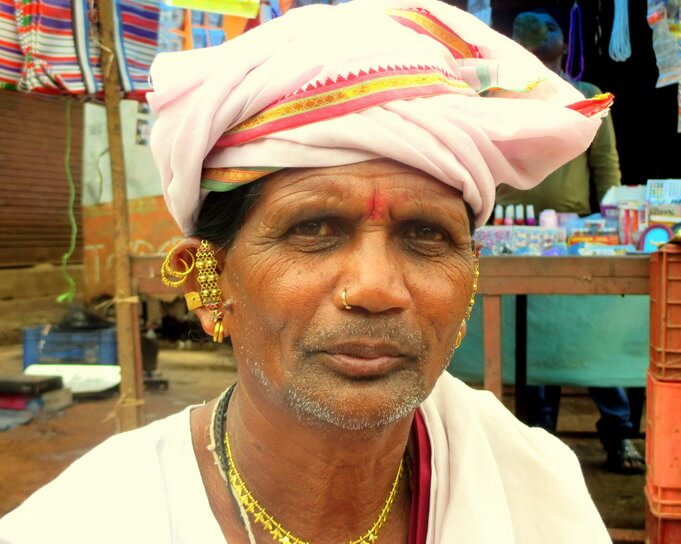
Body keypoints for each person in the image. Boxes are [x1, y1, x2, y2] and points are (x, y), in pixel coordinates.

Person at [0, 1, 614, 542]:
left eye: (426, 235)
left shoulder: (534, 488)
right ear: (207, 284)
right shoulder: (83, 524)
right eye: (312, 230)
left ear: (471, 276)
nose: (375, 288)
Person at [498, 10, 645, 474]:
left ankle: (619, 434)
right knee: (533, 341)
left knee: (591, 338)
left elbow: (607, 167)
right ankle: (541, 442)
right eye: (531, 52)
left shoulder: (586, 100)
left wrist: (612, 223)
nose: (540, 59)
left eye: (545, 51)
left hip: (577, 236)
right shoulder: (498, 101)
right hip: (510, 235)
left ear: (561, 52)